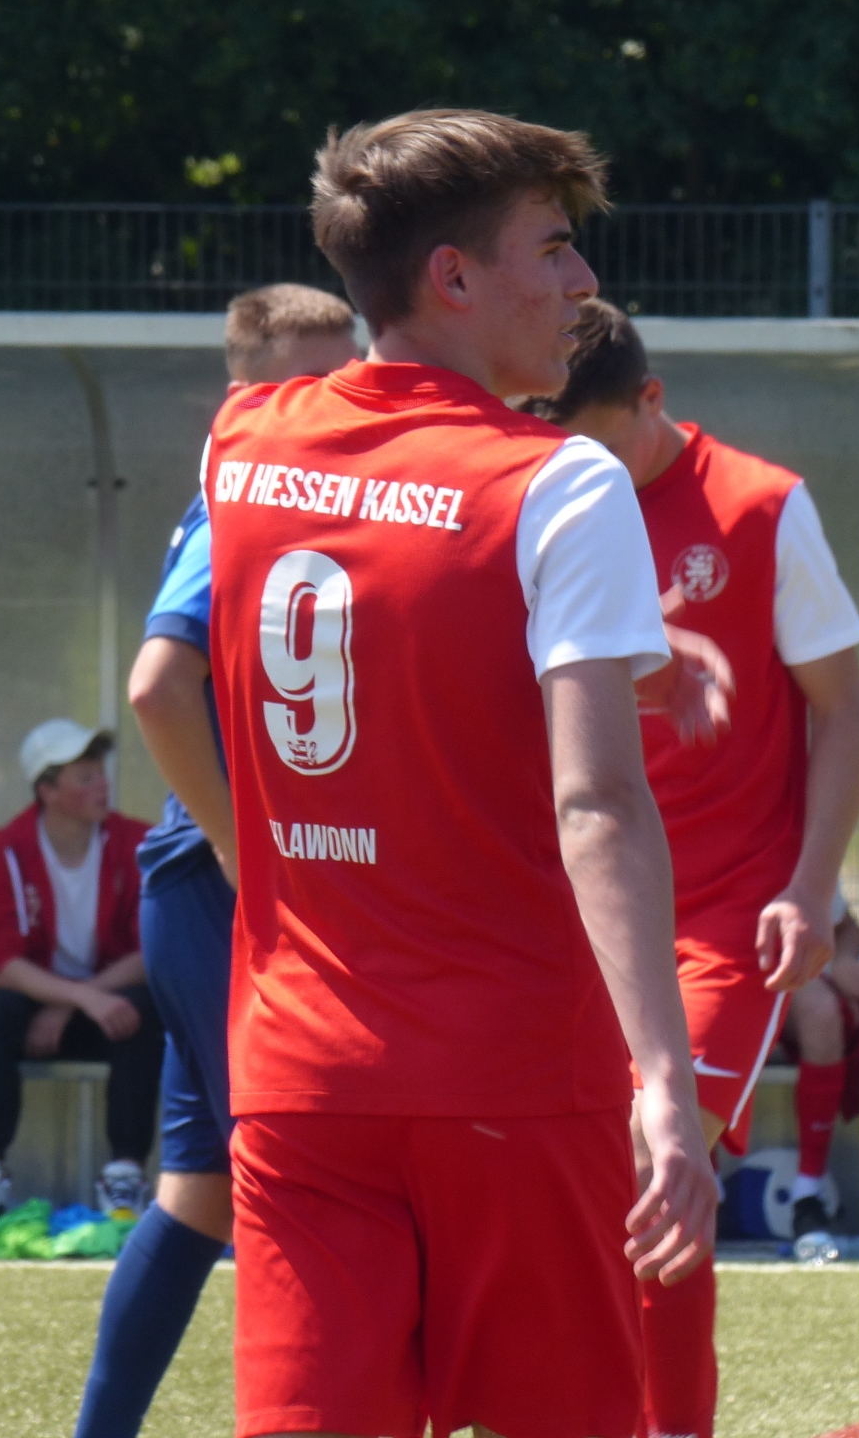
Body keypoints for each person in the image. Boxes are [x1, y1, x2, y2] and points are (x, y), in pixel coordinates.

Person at [205, 110, 722, 1438]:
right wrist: (666, 1082)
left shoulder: (243, 442)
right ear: (452, 277)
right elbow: (598, 802)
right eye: (551, 248)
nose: (583, 282)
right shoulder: (561, 483)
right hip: (515, 1079)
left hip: (302, 1078)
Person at [529, 297, 859, 1438]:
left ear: (653, 400)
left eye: (598, 444)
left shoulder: (762, 506)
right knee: (555, 1187)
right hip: (574, 913)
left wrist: (810, 887)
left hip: (725, 917)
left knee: (655, 1161)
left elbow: (845, 715)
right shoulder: (538, 496)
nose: (580, 471)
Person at [73, 283, 358, 1438]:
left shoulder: (299, 486)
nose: (340, 400)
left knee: (200, 1195)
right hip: (218, 885)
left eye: (350, 374)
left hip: (215, 884)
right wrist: (249, 854)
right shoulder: (242, 493)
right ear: (243, 396)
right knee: (309, 1177)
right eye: (312, 382)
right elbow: (157, 685)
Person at [0, 721, 161, 1224]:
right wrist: (76, 999)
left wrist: (77, 1000)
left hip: (105, 1001)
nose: (102, 786)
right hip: (41, 1005)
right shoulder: (5, 851)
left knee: (141, 1013)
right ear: (46, 791)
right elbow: (4, 964)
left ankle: (126, 1177)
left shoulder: (137, 843)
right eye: (85, 777)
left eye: (100, 773)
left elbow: (153, 949)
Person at [776, 894, 859, 1241]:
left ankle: (808, 1195)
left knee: (823, 1010)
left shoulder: (798, 856)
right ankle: (705, 1188)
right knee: (699, 1016)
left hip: (781, 978)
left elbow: (846, 925)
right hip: (709, 973)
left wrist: (843, 962)